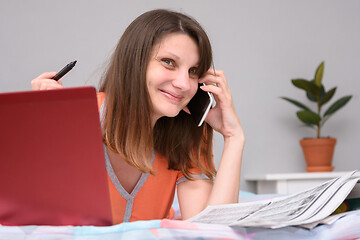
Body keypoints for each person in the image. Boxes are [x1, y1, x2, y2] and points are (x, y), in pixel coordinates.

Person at [31, 9, 245, 224]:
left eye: (193, 71)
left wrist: (234, 137)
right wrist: (41, 128)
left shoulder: (186, 133)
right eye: (168, 62)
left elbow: (212, 230)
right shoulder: (77, 117)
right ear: (135, 61)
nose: (183, 83)